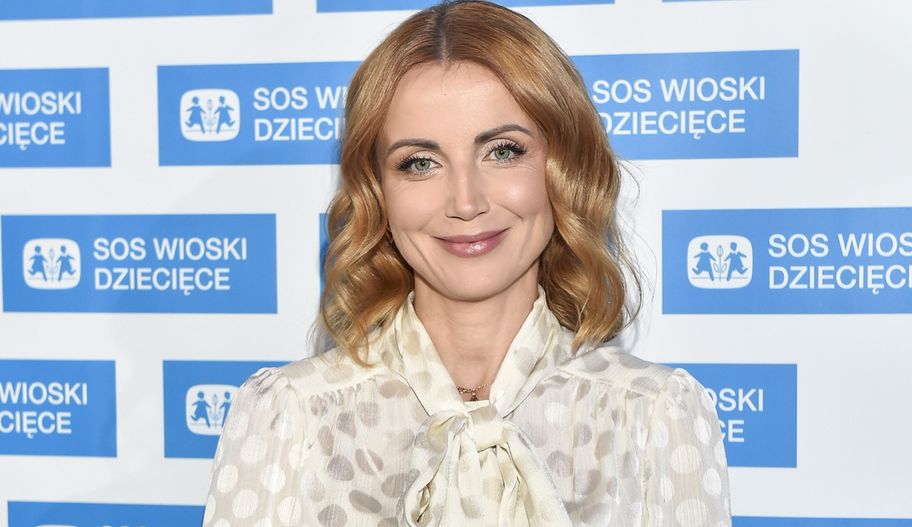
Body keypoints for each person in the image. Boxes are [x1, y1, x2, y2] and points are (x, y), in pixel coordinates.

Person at [202, 1, 731, 526]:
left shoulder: (653, 416)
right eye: (420, 163)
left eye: (502, 151)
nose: (466, 201)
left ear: (564, 167)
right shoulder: (290, 418)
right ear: (377, 191)